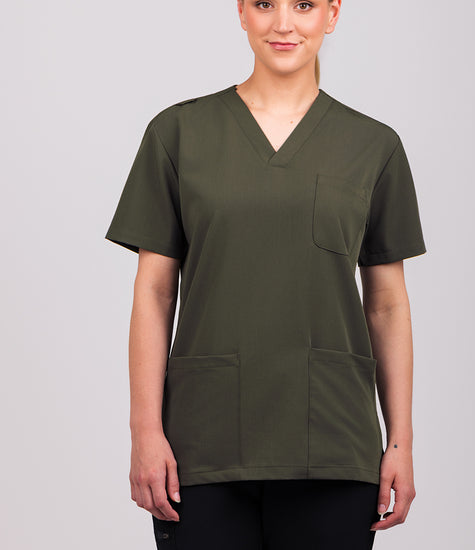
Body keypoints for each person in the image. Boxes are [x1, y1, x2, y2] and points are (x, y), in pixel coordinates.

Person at [105, 0, 427, 548]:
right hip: (201, 447)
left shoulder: (374, 147)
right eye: (264, 4)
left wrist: (401, 442)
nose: (283, 23)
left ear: (332, 14)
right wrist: (145, 431)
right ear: (241, 12)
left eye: (303, 5)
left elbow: (387, 304)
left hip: (332, 442)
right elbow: (154, 294)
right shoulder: (177, 133)